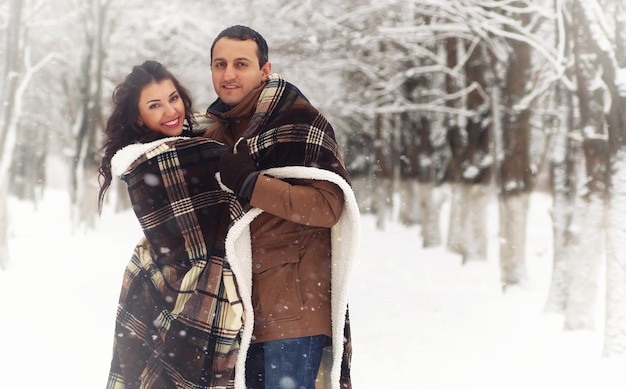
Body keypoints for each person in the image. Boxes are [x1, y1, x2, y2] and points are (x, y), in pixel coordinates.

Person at [203, 25, 360, 389]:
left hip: (294, 316)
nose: (228, 74)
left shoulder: (298, 119)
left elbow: (327, 206)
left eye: (241, 63)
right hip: (238, 311)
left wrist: (250, 184)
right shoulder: (215, 133)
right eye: (219, 64)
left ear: (265, 70)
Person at [98, 60, 246, 388]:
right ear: (139, 117)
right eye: (155, 105)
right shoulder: (163, 161)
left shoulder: (192, 146)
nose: (170, 110)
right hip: (181, 289)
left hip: (159, 289)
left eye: (173, 98)